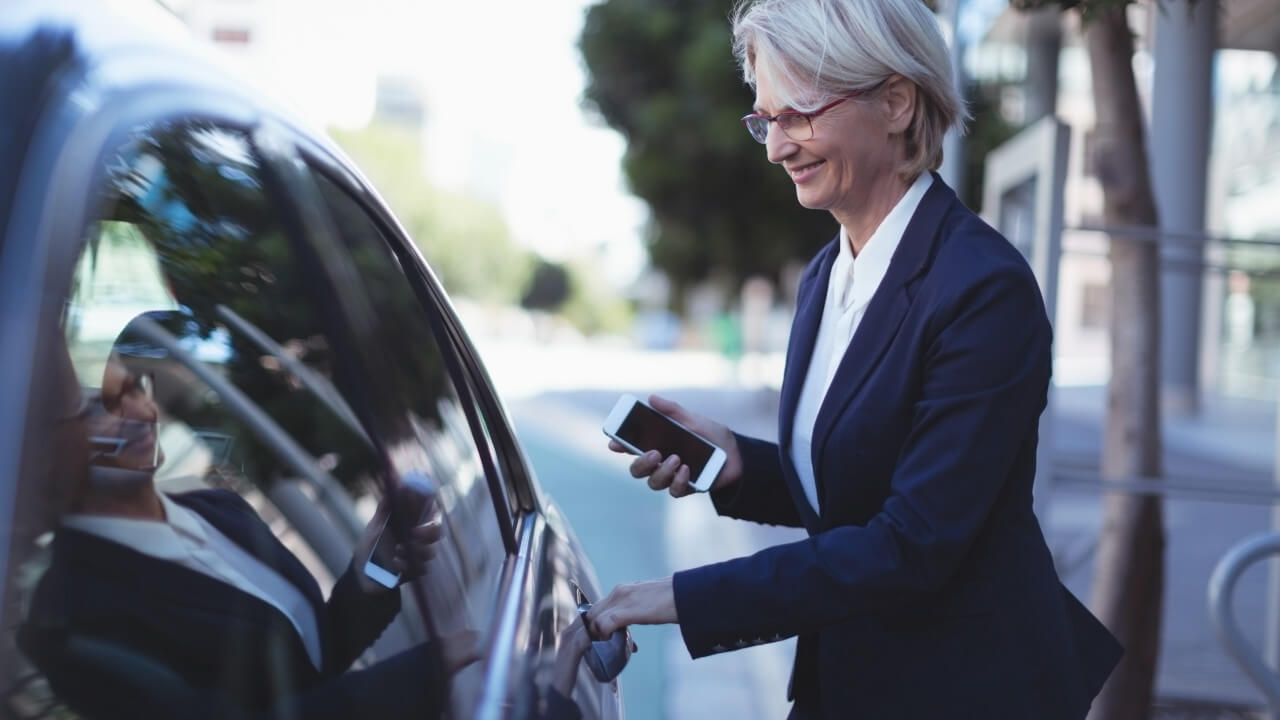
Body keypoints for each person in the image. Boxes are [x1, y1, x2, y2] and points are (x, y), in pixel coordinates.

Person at [584, 1, 1123, 717]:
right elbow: (856, 488)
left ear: (896, 103)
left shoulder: (983, 288)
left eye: (798, 115)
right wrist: (740, 462)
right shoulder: (825, 274)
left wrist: (683, 596)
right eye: (765, 121)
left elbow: (912, 543)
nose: (776, 147)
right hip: (849, 676)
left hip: (962, 689)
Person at [18, 323, 476, 719]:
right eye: (98, 408)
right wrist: (424, 674)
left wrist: (371, 574)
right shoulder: (69, 616)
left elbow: (308, 663)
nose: (135, 413)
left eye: (133, 388)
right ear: (37, 452)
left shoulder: (217, 508)